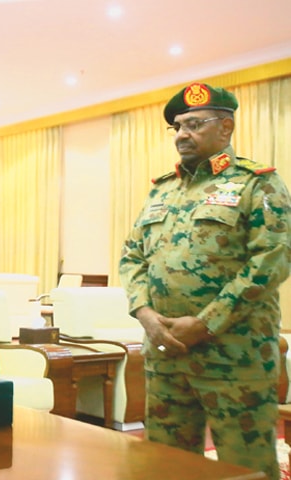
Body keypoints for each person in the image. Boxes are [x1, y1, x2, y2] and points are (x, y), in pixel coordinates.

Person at [119, 82, 291, 479]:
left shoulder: (256, 183)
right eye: (177, 127)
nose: (181, 135)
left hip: (234, 356)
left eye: (194, 124)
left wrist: (206, 322)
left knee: (243, 466)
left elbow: (272, 261)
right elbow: (132, 257)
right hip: (165, 351)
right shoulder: (162, 190)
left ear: (225, 128)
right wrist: (144, 313)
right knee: (164, 464)